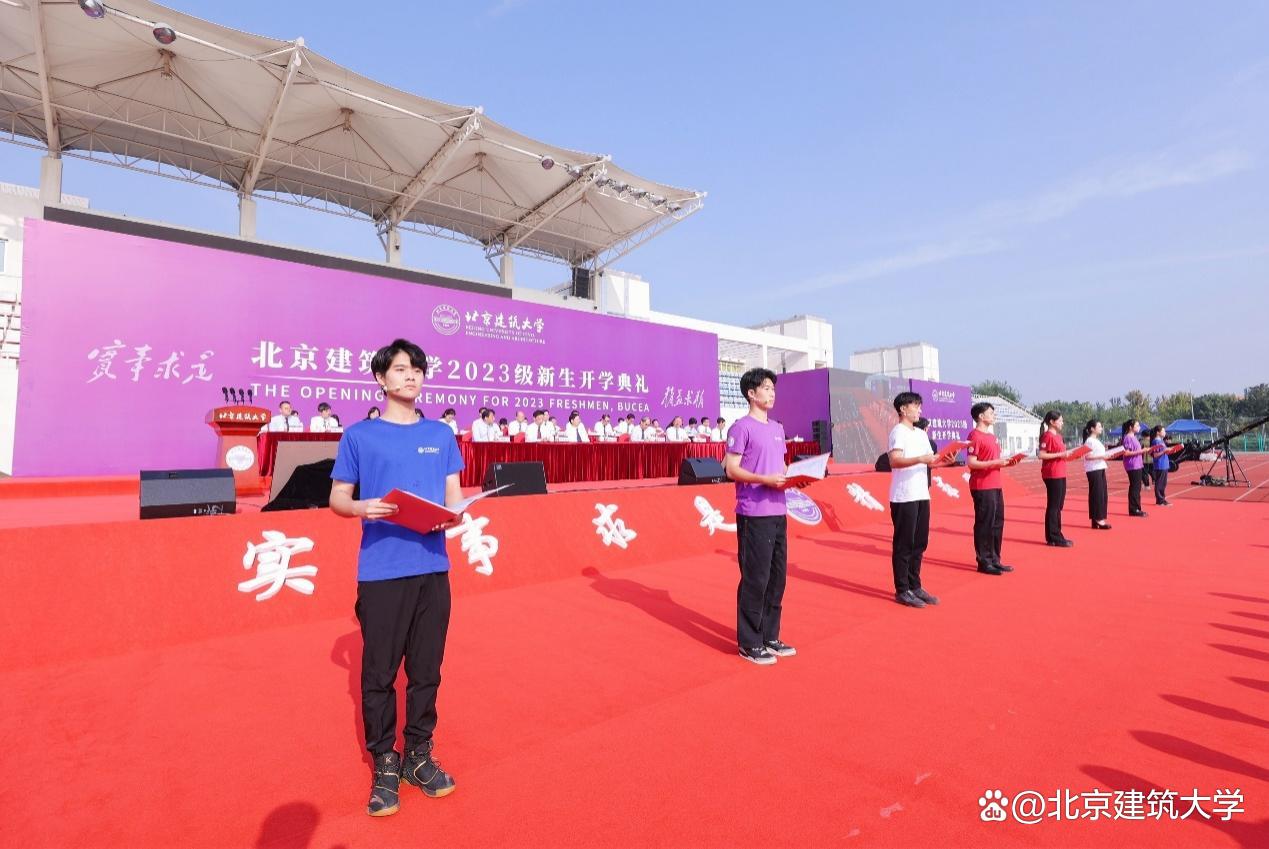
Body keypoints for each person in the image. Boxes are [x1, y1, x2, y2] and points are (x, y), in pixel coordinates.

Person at [328, 338, 463, 817]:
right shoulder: (359, 436)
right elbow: (338, 498)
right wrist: (362, 507)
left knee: (427, 670)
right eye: (402, 369)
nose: (411, 376)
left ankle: (418, 755)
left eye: (418, 369)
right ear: (380, 379)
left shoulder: (441, 435)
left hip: (433, 568)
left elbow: (454, 496)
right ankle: (385, 761)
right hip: (383, 570)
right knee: (379, 674)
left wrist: (454, 516)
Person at [723, 367, 794, 665]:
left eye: (773, 388)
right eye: (766, 388)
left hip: (778, 510)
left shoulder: (777, 428)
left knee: (777, 578)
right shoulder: (741, 428)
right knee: (756, 577)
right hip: (754, 512)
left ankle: (769, 635)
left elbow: (781, 467)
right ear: (751, 394)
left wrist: (796, 478)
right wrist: (764, 480)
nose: (771, 393)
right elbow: (731, 469)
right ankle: (750, 642)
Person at [889, 394, 949, 608]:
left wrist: (945, 461)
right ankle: (902, 589)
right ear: (903, 409)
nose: (919, 410)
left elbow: (930, 462)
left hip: (922, 494)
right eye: (916, 406)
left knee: (920, 542)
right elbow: (894, 461)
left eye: (919, 406)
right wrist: (920, 459)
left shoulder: (921, 434)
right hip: (904, 495)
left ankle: (915, 585)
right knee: (904, 544)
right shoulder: (898, 432)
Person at [967, 401, 1015, 575]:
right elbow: (971, 463)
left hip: (995, 484)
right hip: (982, 485)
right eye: (991, 413)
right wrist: (995, 463)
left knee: (997, 522)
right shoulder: (974, 436)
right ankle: (984, 561)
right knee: (985, 523)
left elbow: (994, 460)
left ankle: (995, 559)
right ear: (981, 416)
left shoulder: (992, 436)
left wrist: (1007, 462)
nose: (994, 416)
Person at [1036, 411, 1074, 547]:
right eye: (1060, 420)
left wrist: (1070, 455)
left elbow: (1061, 454)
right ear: (1052, 422)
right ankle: (1053, 536)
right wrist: (1061, 454)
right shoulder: (1047, 436)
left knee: (1058, 505)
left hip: (1061, 472)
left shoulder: (1058, 436)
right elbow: (1041, 455)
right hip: (1052, 474)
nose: (1062, 423)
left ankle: (1056, 535)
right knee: (1054, 505)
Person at [1082, 419, 1112, 530]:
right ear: (1092, 429)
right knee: (1097, 494)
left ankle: (1098, 519)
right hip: (1093, 469)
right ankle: (1098, 519)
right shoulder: (1089, 441)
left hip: (1100, 467)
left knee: (1102, 494)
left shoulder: (1096, 440)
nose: (1101, 428)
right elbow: (1087, 456)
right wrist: (1102, 456)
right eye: (1099, 426)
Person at [1120, 419, 1149, 517]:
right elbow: (1126, 453)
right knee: (1135, 487)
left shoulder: (1134, 437)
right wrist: (1141, 451)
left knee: (1137, 487)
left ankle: (1137, 508)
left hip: (1137, 464)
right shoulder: (1128, 438)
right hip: (1132, 465)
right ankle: (1134, 509)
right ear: (1130, 427)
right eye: (1137, 425)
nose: (1139, 427)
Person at [1150, 425, 1172, 506]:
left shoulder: (1161, 441)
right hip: (1160, 464)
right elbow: (1155, 455)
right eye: (1163, 431)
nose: (1165, 432)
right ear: (1158, 432)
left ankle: (1162, 499)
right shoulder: (1156, 442)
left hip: (1164, 464)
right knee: (1160, 483)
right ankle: (1160, 500)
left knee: (1163, 483)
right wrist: (1164, 451)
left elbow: (1163, 452)